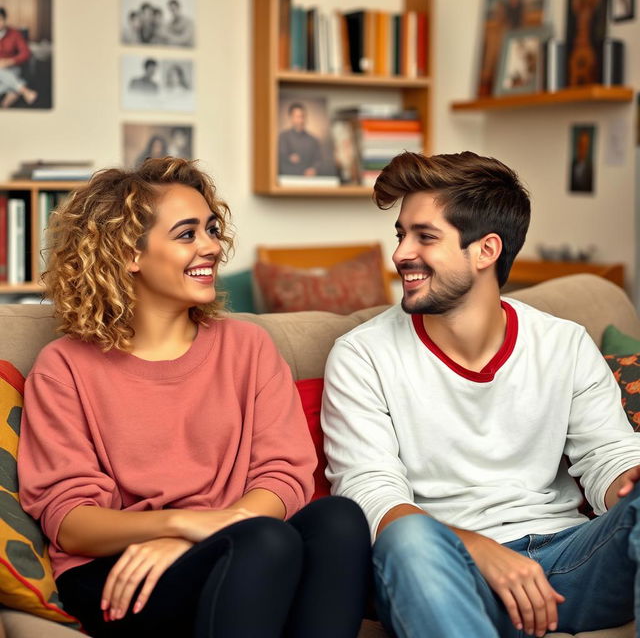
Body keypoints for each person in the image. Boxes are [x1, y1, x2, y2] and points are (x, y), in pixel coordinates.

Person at [17, 157, 371, 638]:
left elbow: (284, 475)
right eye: (187, 234)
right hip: (120, 572)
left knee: (338, 519)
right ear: (128, 254)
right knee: (264, 540)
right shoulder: (65, 367)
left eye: (211, 228)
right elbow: (72, 521)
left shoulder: (248, 347)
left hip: (243, 546)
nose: (211, 247)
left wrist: (212, 534)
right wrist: (183, 528)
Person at [321, 150, 640, 638]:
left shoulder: (564, 343)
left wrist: (629, 481)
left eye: (425, 236)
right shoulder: (362, 356)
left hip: (567, 565)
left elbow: (608, 457)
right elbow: (370, 495)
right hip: (441, 570)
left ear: (486, 250)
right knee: (407, 537)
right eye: (401, 234)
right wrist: (476, 548)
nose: (401, 253)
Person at [0, 6, 38, 108]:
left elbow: (26, 53)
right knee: (13, 80)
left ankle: (5, 106)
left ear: (4, 20)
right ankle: (24, 90)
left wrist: (10, 61)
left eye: (0, 20)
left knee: (9, 75)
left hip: (11, 68)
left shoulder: (14, 34)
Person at [278, 102, 322, 177]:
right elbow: (281, 158)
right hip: (287, 180)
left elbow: (318, 159)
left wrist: (313, 169)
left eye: (303, 116)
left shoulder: (313, 140)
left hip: (308, 181)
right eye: (298, 117)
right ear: (291, 117)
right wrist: (289, 158)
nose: (301, 120)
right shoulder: (283, 137)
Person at [570, 128, 594, 193]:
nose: (582, 149)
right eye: (581, 145)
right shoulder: (572, 165)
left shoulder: (590, 167)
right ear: (577, 146)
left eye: (585, 146)